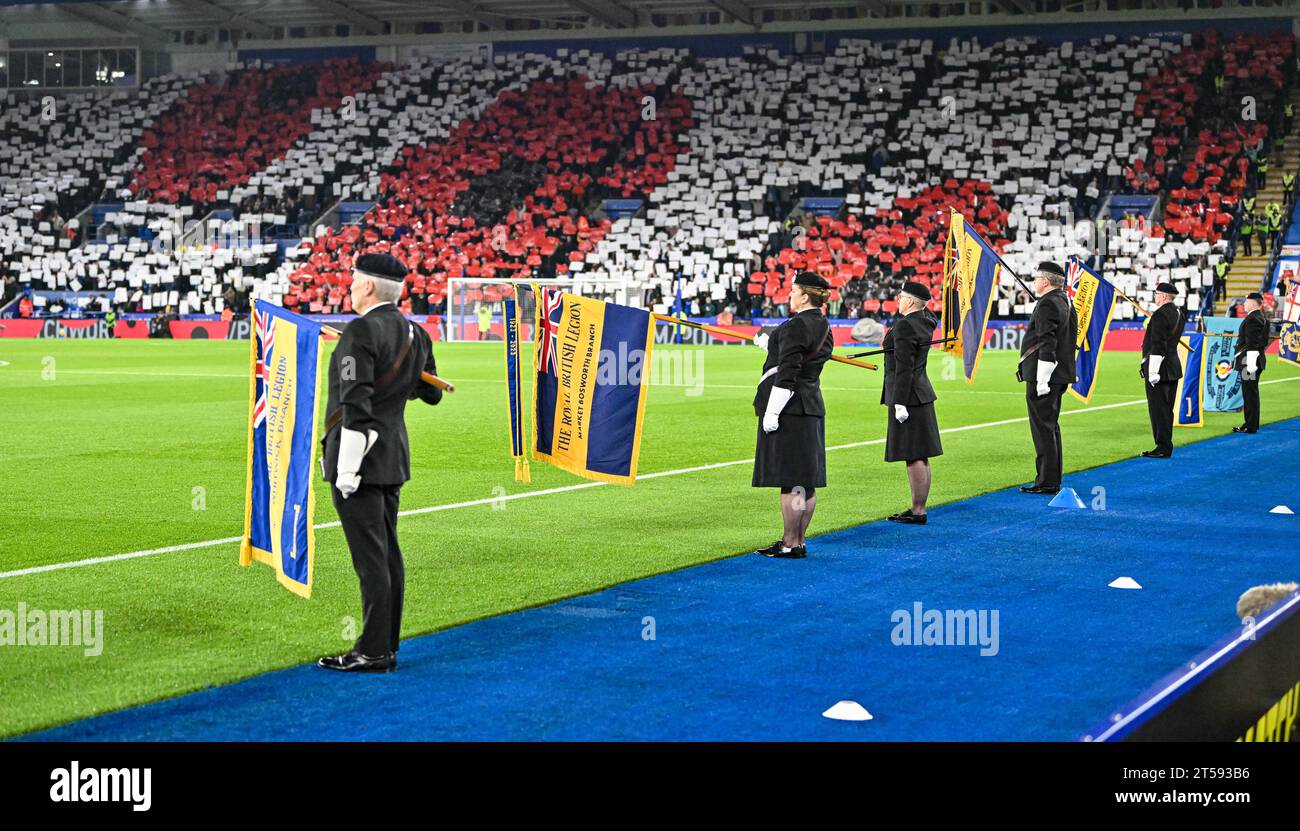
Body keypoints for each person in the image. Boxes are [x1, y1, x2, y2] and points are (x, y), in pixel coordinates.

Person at [318, 252, 443, 673]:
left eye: (354, 280)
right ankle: (385, 646)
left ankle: (372, 652)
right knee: (388, 554)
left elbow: (355, 402)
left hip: (359, 459)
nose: (350, 286)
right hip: (393, 455)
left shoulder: (360, 331)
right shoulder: (416, 332)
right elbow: (432, 392)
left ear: (368, 286)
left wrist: (348, 468)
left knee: (370, 559)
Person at [751, 271, 834, 559]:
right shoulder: (823, 324)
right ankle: (797, 541)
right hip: (810, 405)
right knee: (805, 481)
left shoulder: (797, 325)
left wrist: (772, 412)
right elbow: (797, 355)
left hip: (791, 409)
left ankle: (789, 542)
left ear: (804, 295)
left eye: (793, 291)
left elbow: (788, 373)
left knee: (791, 481)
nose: (789, 295)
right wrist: (773, 345)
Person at [880, 281, 942, 524]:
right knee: (921, 454)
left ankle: (918, 510)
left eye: (902, 297)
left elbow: (904, 368)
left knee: (913, 454)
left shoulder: (906, 325)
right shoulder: (924, 320)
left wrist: (900, 402)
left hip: (909, 397)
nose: (898, 300)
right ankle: (919, 507)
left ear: (911, 302)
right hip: (921, 393)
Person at [1017, 262, 1078, 495]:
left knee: (1043, 428)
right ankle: (1051, 477)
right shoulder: (1063, 300)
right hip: (1058, 374)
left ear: (1045, 280)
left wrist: (1042, 378)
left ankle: (1047, 481)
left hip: (1045, 376)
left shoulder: (1049, 303)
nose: (1034, 282)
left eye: (1036, 278)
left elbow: (1047, 341)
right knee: (1050, 427)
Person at [1139, 283, 1186, 458]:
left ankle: (1162, 446)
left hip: (1160, 368)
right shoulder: (1180, 313)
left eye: (1157, 293)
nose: (1155, 296)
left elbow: (1159, 345)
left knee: (1158, 409)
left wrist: (1153, 371)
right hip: (1173, 366)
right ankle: (1166, 445)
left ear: (1165, 296)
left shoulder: (1159, 315)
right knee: (1167, 409)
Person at [1233, 291, 1270, 434]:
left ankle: (1250, 425)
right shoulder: (1261, 317)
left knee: (1249, 393)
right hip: (1253, 359)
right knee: (1251, 393)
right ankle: (1251, 423)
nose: (1244, 304)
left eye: (1246, 302)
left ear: (1254, 303)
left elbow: (1252, 344)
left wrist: (1250, 363)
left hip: (1249, 361)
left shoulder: (1252, 319)